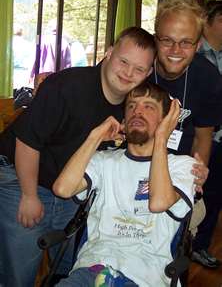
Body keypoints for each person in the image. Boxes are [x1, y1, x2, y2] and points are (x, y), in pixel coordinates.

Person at [0, 27, 155, 287]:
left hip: (68, 185)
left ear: (149, 73)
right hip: (20, 174)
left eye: (139, 69)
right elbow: (26, 142)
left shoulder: (134, 104)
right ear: (109, 54)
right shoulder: (66, 86)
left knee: (71, 263)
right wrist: (29, 196)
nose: (128, 73)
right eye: (123, 61)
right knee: (19, 271)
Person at [53, 81, 196, 287]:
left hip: (145, 276)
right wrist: (95, 136)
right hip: (92, 268)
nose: (137, 112)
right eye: (131, 106)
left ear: (167, 120)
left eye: (148, 106)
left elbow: (158, 203)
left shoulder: (183, 166)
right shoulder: (103, 160)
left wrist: (162, 137)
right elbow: (62, 189)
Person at [148, 0, 222, 242]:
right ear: (155, 38)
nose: (175, 51)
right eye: (167, 40)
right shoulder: (138, 67)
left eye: (186, 42)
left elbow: (203, 135)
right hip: (128, 169)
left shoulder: (208, 77)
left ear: (198, 44)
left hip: (175, 175)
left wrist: (196, 169)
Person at [191, 0, 222, 268]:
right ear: (208, 22)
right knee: (194, 192)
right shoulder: (194, 54)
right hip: (199, 137)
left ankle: (200, 245)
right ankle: (184, 242)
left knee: (215, 195)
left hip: (220, 139)